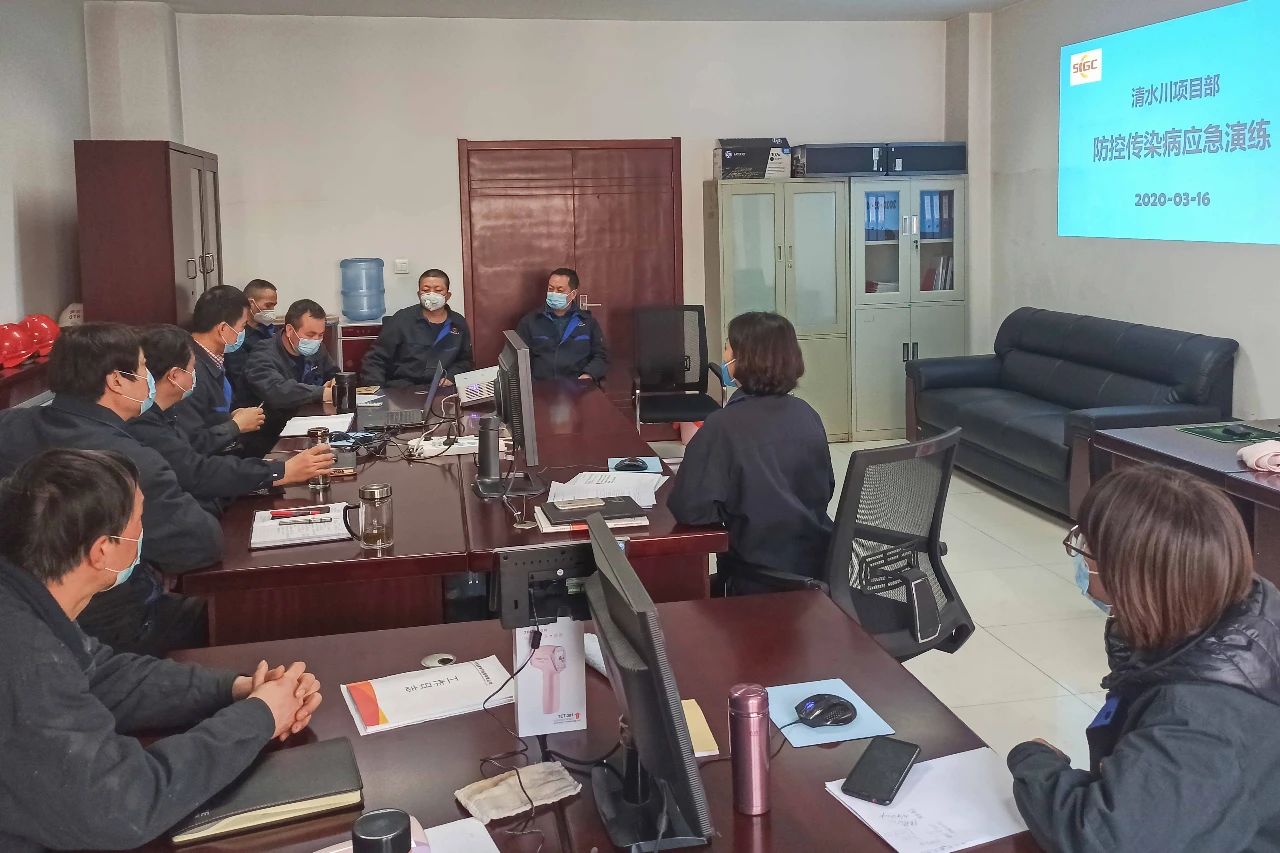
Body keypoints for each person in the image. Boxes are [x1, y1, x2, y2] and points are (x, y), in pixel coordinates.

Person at [0, 448, 322, 852]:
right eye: (138, 521)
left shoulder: (25, 599)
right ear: (102, 551)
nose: (144, 533)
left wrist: (235, 690)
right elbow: (123, 804)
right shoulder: (24, 656)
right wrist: (260, 718)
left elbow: (102, 676)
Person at [1010, 465, 1280, 851]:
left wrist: (1035, 762)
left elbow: (1102, 839)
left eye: (1085, 546)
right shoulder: (1238, 604)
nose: (1080, 557)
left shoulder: (1199, 721)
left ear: (1129, 575)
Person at [0, 323, 221, 655]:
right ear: (117, 380)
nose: (149, 378)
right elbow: (199, 544)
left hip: (22, 620)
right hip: (116, 629)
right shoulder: (130, 463)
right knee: (233, 614)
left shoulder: (8, 426)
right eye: (144, 368)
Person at [668, 312, 834, 595]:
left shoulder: (723, 425)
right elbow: (826, 487)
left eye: (728, 348)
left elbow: (689, 508)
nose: (724, 356)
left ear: (745, 359)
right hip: (818, 573)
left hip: (754, 582)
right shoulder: (807, 414)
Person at [128, 325, 335, 513]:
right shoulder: (146, 424)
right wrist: (281, 471)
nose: (195, 376)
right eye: (192, 369)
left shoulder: (165, 412)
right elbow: (198, 471)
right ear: (174, 376)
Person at [173, 285, 266, 455]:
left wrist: (230, 418)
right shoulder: (189, 370)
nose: (243, 333)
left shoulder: (212, 358)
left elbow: (209, 415)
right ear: (223, 329)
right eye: (243, 326)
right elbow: (192, 442)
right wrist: (235, 425)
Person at [242, 299, 338, 456]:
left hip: (311, 426)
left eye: (320, 335)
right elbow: (277, 391)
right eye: (310, 335)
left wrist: (335, 383)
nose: (316, 340)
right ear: (289, 330)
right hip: (271, 436)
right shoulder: (263, 354)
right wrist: (322, 393)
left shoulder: (317, 349)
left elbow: (333, 373)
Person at [361, 269, 474, 387]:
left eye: (438, 290)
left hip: (441, 388)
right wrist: (376, 391)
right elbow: (376, 359)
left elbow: (465, 361)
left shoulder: (458, 323)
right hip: (402, 389)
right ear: (419, 294)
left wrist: (450, 377)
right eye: (426, 290)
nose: (431, 294)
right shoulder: (402, 319)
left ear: (448, 295)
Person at [515, 267, 608, 381]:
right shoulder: (530, 321)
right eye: (550, 289)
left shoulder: (588, 322)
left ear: (573, 294)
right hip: (542, 385)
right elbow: (517, 360)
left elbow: (601, 356)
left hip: (577, 385)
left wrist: (588, 375)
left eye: (560, 290)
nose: (554, 294)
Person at [224, 278, 279, 393]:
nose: (272, 311)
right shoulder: (237, 338)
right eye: (268, 305)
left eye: (274, 306)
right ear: (250, 303)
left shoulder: (271, 331)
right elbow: (241, 381)